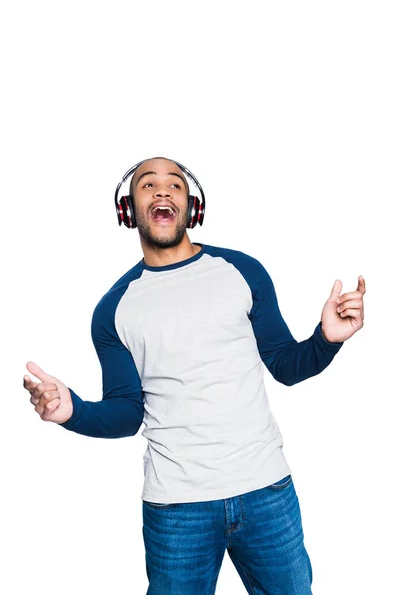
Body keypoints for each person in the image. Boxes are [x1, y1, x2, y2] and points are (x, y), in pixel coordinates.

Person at [23, 156, 366, 594]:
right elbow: (127, 414)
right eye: (148, 185)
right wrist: (74, 411)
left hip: (266, 491)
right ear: (128, 209)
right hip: (176, 508)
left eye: (175, 185)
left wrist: (326, 339)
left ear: (192, 207)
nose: (162, 191)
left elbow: (285, 365)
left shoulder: (242, 271)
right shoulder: (113, 309)